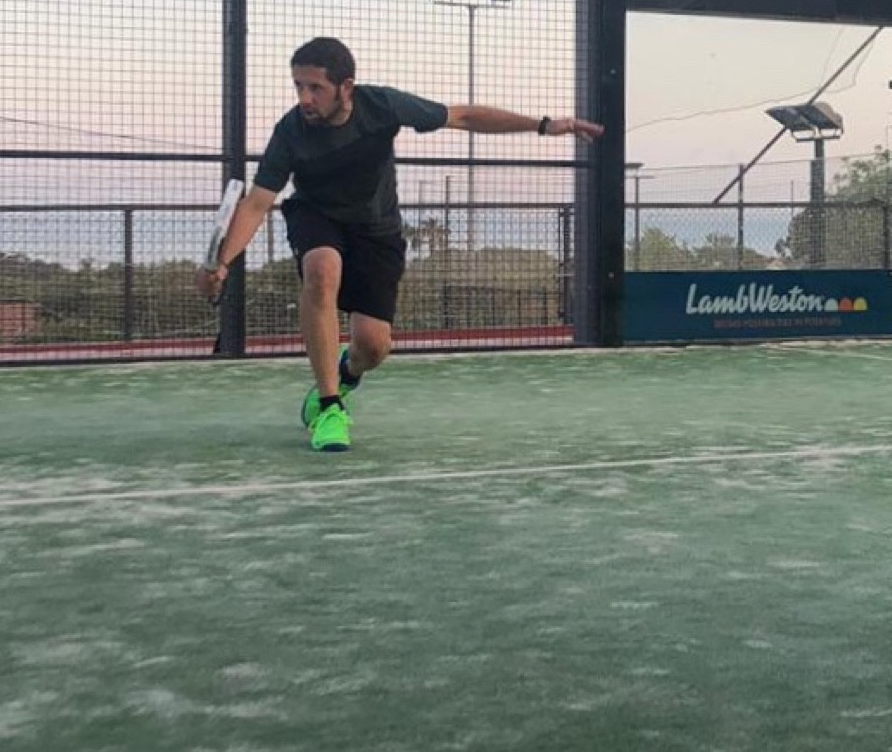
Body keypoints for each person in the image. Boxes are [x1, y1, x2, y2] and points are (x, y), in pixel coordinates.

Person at [196, 37, 603, 452]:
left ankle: (346, 373)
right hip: (317, 216)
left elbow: (462, 116)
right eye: (298, 86)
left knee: (373, 347)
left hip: (376, 230)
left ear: (346, 87)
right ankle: (330, 405)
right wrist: (223, 262)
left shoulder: (383, 106)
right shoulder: (290, 132)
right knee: (321, 270)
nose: (304, 98)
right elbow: (257, 203)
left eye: (315, 87)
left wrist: (543, 125)